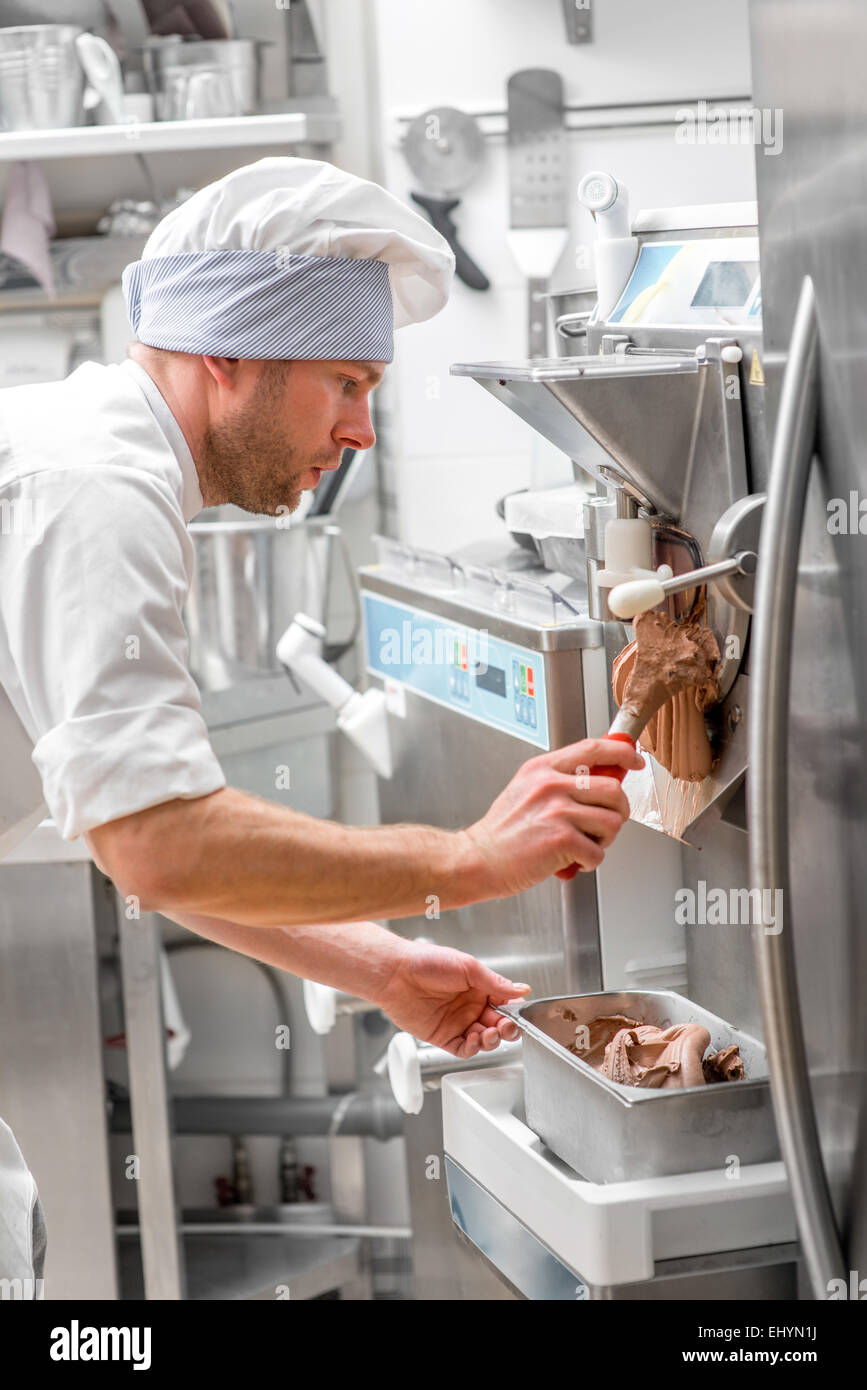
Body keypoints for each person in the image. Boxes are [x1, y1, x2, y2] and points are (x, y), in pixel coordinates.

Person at [0, 158, 641, 1290]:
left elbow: (139, 840)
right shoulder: (96, 487)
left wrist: (376, 968)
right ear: (227, 353)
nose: (362, 434)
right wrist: (470, 861)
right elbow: (160, 841)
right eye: (345, 383)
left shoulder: (115, 467)